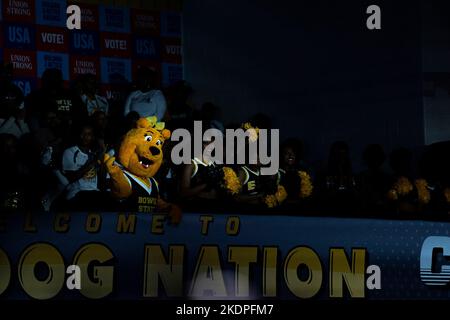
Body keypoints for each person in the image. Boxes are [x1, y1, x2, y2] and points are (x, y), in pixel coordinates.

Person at [61, 124, 105, 211]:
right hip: (77, 193)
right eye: (82, 134)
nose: (84, 137)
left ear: (92, 137)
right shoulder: (70, 152)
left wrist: (102, 155)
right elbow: (71, 178)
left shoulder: (94, 153)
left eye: (88, 134)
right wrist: (93, 162)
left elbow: (102, 180)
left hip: (94, 193)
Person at [357, 144, 391, 214]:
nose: (374, 161)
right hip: (366, 210)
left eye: (375, 157)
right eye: (372, 157)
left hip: (377, 211)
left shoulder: (386, 178)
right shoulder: (361, 177)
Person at [0, 63, 29, 138]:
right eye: (4, 73)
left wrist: (20, 120)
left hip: (14, 122)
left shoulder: (16, 90)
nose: (7, 76)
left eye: (9, 73)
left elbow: (22, 111)